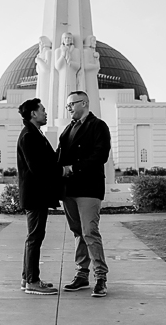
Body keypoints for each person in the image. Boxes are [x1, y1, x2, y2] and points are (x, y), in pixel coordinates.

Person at [56, 90, 111, 298]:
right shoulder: (68, 129)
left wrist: (73, 168)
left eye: (72, 104)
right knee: (78, 232)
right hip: (69, 189)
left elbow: (101, 155)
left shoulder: (98, 126)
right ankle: (82, 274)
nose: (68, 107)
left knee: (90, 231)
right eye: (67, 104)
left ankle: (101, 277)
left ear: (84, 103)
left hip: (88, 188)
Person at [17, 97, 62, 295]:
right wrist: (61, 171)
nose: (45, 113)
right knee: (35, 237)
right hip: (35, 195)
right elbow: (37, 167)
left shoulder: (35, 133)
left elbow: (51, 158)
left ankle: (27, 278)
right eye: (42, 110)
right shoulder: (29, 135)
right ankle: (32, 281)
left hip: (37, 194)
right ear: (33, 113)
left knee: (35, 236)